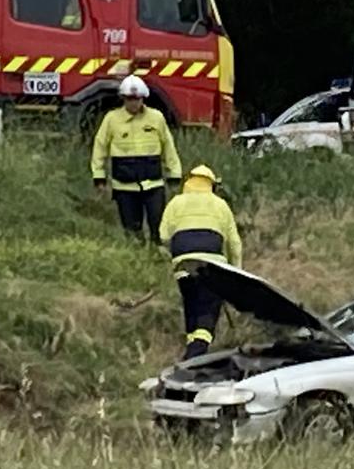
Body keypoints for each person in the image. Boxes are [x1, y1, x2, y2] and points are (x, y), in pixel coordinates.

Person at [159, 165, 243, 359]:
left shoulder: (176, 202)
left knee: (192, 307)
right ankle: (195, 354)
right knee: (207, 311)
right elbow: (234, 243)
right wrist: (236, 274)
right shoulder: (220, 204)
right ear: (212, 185)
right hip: (212, 265)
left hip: (182, 263)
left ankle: (194, 351)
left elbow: (163, 235)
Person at [91, 76, 182, 243]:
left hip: (153, 184)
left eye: (137, 99)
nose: (133, 103)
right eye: (129, 99)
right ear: (123, 99)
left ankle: (157, 256)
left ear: (143, 98)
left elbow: (168, 146)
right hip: (124, 187)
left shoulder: (156, 118)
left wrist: (174, 174)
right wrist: (99, 176)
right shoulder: (112, 119)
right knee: (132, 232)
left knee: (158, 228)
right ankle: (137, 260)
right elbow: (100, 147)